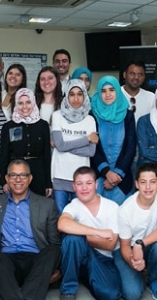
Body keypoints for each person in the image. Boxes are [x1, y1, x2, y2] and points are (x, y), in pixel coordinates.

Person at [0, 160, 61, 300]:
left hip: (35, 259)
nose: (18, 179)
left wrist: (52, 269)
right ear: (6, 178)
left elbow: (55, 242)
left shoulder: (46, 204)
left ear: (30, 179)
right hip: (8, 260)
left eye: (23, 175)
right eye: (13, 175)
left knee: (53, 250)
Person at [58, 166, 121, 300]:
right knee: (72, 239)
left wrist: (83, 238)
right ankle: (68, 291)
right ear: (74, 187)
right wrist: (97, 232)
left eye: (89, 183)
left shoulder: (112, 207)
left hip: (103, 259)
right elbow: (62, 224)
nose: (84, 188)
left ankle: (85, 276)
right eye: (79, 184)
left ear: (96, 185)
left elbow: (110, 244)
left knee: (110, 296)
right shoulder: (73, 205)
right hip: (81, 255)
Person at [114, 163, 157, 300]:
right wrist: (133, 261)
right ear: (137, 184)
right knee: (133, 294)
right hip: (128, 249)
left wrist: (141, 243)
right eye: (143, 182)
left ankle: (155, 281)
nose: (148, 187)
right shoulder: (125, 210)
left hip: (147, 244)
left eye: (153, 182)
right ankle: (137, 272)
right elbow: (124, 246)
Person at [51, 79, 98, 212]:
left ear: (85, 96)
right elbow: (60, 146)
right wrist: (87, 138)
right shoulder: (57, 116)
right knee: (61, 220)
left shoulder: (90, 120)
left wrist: (65, 146)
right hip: (60, 176)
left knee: (80, 219)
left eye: (79, 94)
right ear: (66, 95)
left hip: (82, 180)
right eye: (72, 94)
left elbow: (90, 151)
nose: (76, 98)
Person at [90, 75, 136, 205]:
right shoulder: (92, 114)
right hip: (98, 178)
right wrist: (106, 172)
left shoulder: (128, 115)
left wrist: (116, 175)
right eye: (103, 91)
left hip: (122, 178)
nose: (108, 94)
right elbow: (94, 147)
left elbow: (130, 146)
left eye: (111, 90)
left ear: (117, 90)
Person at [0, 88, 52, 196]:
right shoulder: (9, 126)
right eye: (20, 103)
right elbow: (4, 156)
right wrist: (4, 181)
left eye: (28, 102)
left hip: (38, 174)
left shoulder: (42, 125)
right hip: (15, 175)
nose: (24, 106)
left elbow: (47, 156)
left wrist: (48, 183)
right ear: (16, 105)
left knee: (37, 207)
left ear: (33, 103)